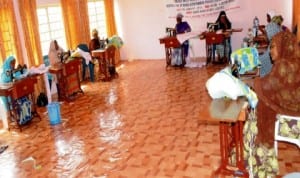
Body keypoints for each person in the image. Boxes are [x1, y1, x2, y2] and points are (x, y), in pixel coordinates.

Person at [0, 56, 32, 126]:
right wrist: (16, 74)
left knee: (24, 97)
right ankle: (17, 118)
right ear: (8, 63)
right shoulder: (6, 72)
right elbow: (9, 78)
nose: (13, 65)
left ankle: (25, 118)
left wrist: (23, 70)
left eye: (14, 63)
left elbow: (18, 75)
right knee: (18, 100)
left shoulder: (12, 69)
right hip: (7, 93)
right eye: (12, 63)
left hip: (13, 91)